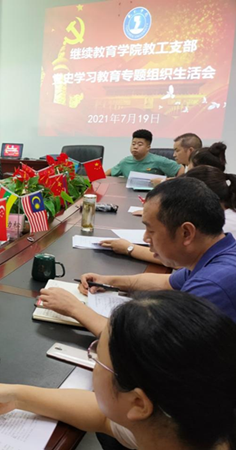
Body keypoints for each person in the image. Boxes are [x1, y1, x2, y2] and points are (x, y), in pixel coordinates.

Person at [0, 291, 236, 450]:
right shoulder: (177, 427)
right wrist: (16, 397)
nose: (94, 362)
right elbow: (105, 416)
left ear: (138, 402)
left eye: (98, 358)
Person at [39, 177, 236, 335]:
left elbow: (151, 346)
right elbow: (167, 282)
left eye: (151, 230)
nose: (145, 238)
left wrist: (75, 309)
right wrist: (109, 281)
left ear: (186, 233)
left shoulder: (211, 286)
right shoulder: (216, 255)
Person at [101, 164, 236, 262]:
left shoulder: (225, 225)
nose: (146, 237)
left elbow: (180, 262)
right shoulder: (223, 214)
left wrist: (129, 249)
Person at [105, 129, 183, 178]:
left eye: (140, 144)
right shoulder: (125, 161)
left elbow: (180, 168)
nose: (135, 147)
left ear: (148, 147)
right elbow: (111, 171)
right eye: (133, 144)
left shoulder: (158, 160)